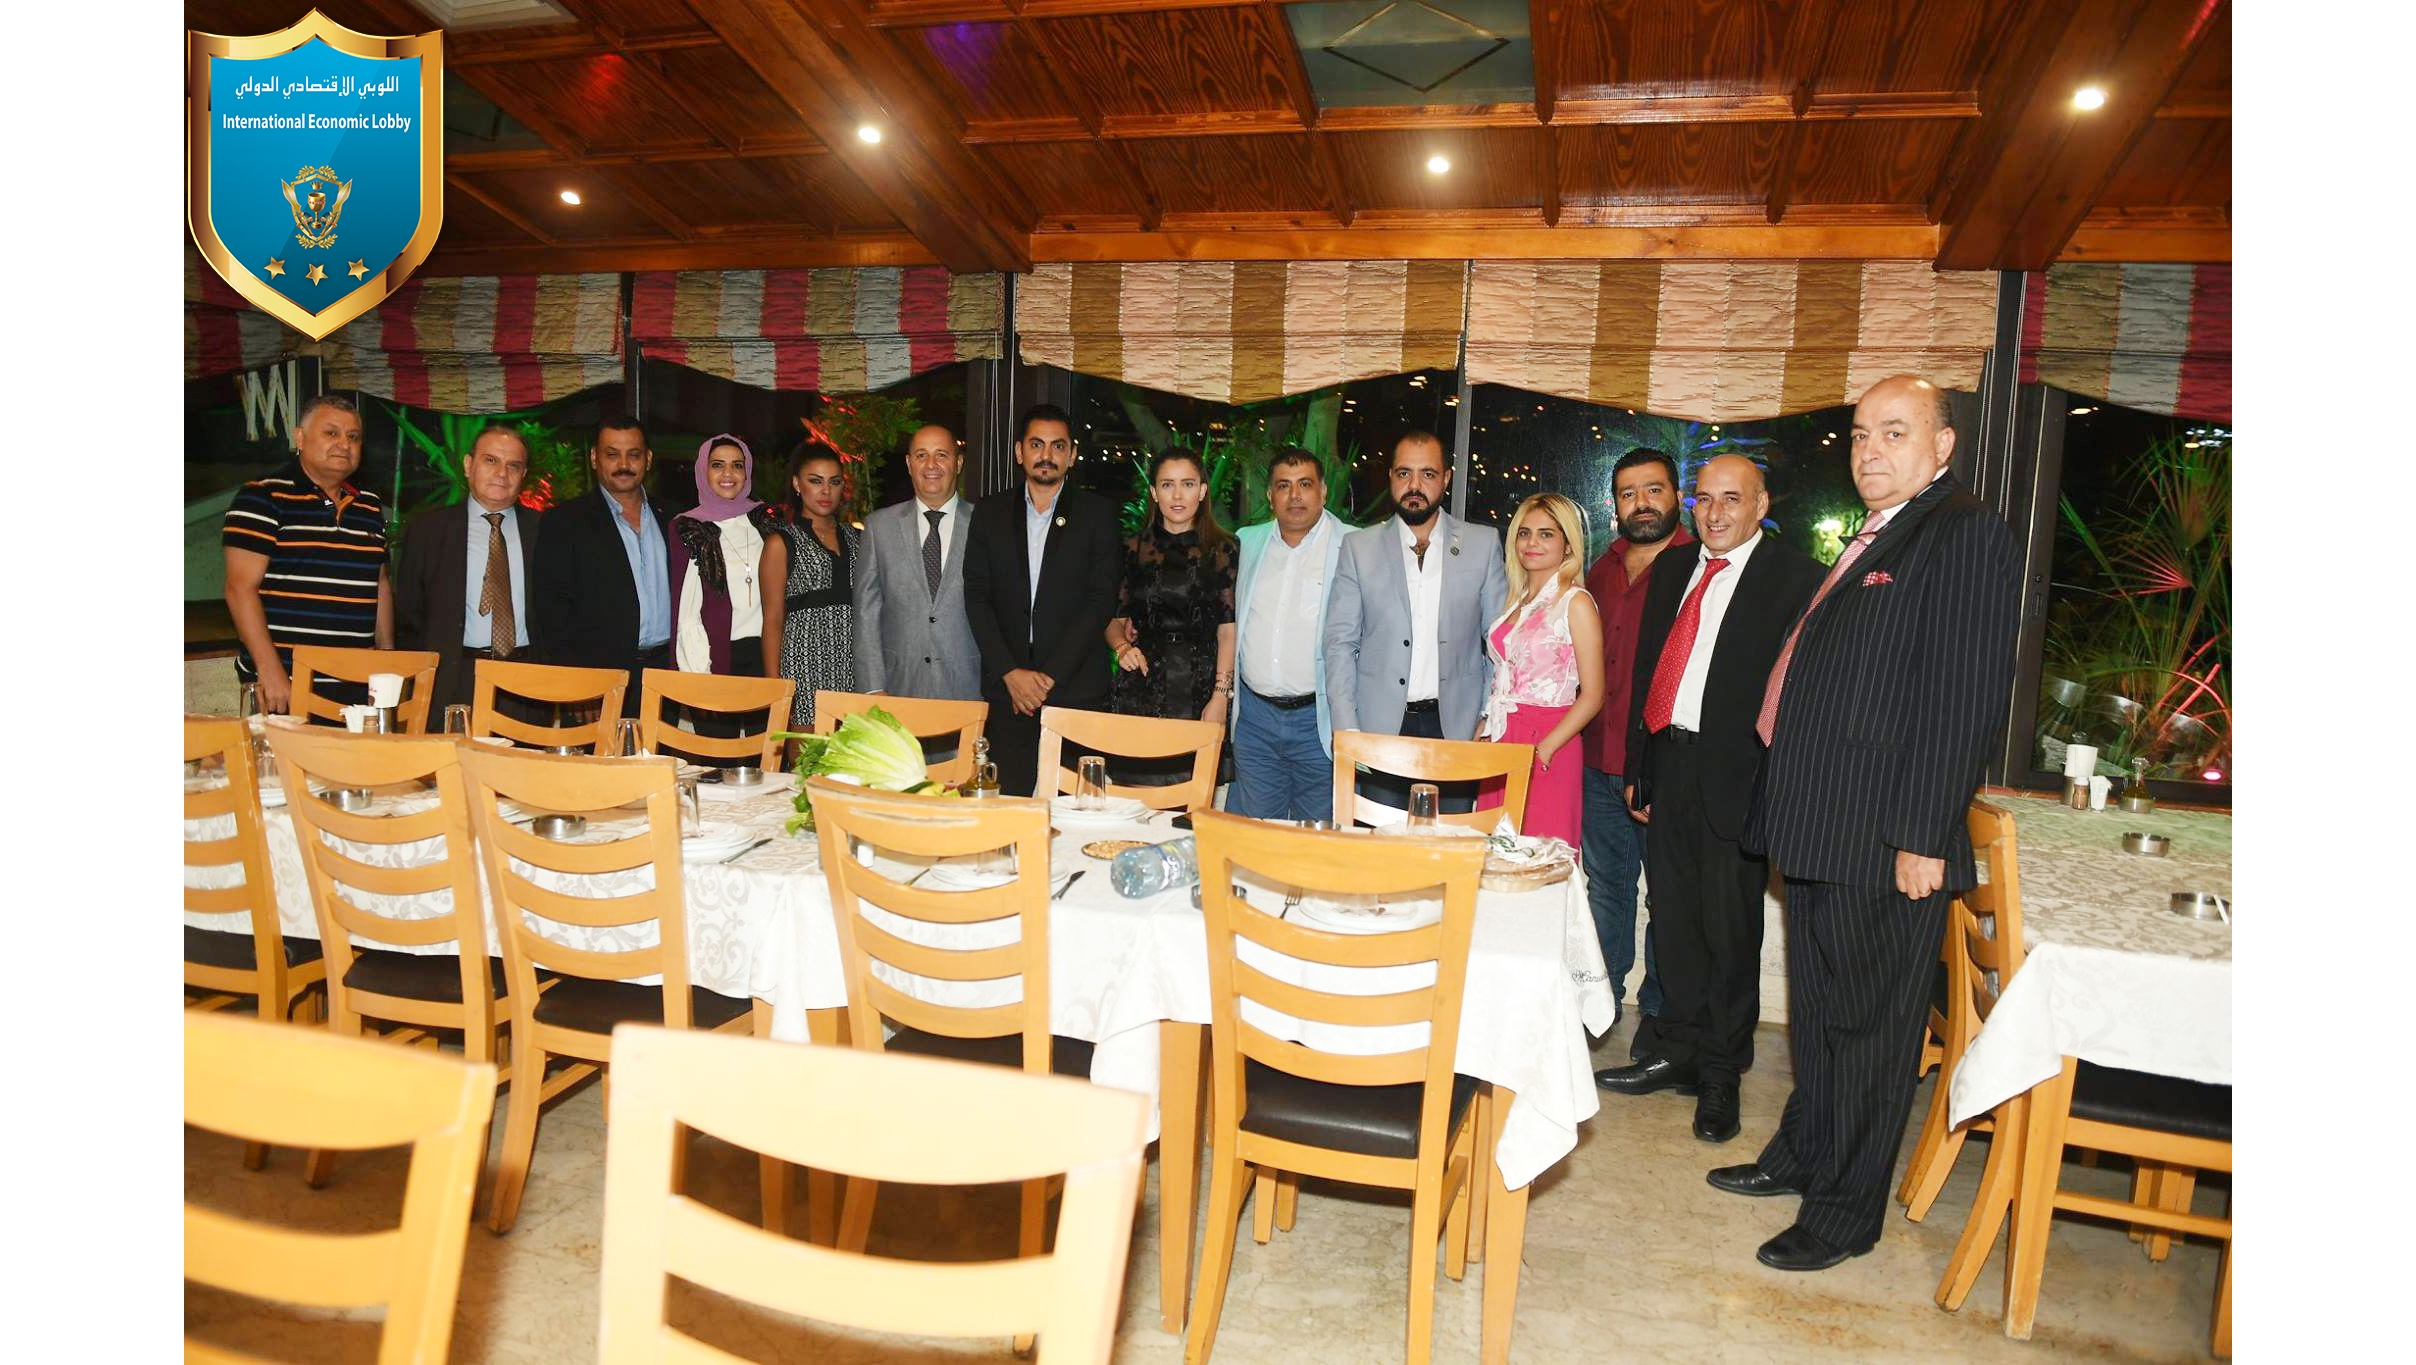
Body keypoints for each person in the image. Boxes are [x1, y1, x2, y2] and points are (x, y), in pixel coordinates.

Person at [1710, 375, 2020, 1273]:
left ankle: (1845, 1212)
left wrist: (1922, 834)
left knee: (1870, 1035)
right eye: (1858, 434)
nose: (1869, 450)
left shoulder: (1964, 533)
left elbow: (1961, 699)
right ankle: (1804, 1154)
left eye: (1893, 431)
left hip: (1885, 836)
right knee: (1819, 1019)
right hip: (1822, 825)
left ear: (1943, 445)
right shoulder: (1879, 531)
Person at [1592, 455, 1822, 1147]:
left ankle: (1722, 1070)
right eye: (1704, 499)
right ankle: (1677, 1050)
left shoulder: (1796, 578)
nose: (1715, 512)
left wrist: (1779, 788)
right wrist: (1640, 767)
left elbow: (1802, 698)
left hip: (1739, 780)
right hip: (1670, 764)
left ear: (1761, 505)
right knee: (1673, 920)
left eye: (1731, 499)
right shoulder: (1672, 569)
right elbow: (1646, 672)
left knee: (1730, 931)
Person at [1322, 431, 1507, 813]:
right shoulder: (1359, 548)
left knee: (1451, 843)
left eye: (1428, 474)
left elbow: (1499, 642)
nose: (1415, 486)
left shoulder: (1482, 544)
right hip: (1379, 729)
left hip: (1456, 728)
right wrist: (1347, 729)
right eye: (1404, 473)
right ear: (1390, 477)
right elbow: (1339, 643)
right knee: (1380, 843)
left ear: (1447, 478)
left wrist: (1489, 715)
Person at [1583, 448, 1693, 1046]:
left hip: (1662, 765)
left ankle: (1658, 1014)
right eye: (1629, 493)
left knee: (1669, 895)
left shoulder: (1699, 567)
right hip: (1596, 758)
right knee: (1606, 888)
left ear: (1677, 495)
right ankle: (1599, 1002)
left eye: (1653, 490)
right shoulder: (1599, 570)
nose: (1642, 503)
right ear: (1615, 504)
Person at [961, 403, 1123, 797]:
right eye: (1036, 444)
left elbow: (1101, 600)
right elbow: (977, 597)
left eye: (1057, 446)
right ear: (1020, 452)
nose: (1046, 455)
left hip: (1075, 690)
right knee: (1008, 810)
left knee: (1078, 813)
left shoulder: (1098, 514)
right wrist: (1010, 673)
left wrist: (1047, 679)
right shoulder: (989, 513)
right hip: (1008, 692)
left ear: (1071, 454)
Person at [222, 392, 392, 716]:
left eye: (353, 437)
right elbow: (239, 589)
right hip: (286, 687)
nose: (344, 444)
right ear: (299, 438)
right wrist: (269, 671)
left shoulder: (369, 506)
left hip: (357, 689)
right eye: (331, 433)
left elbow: (379, 583)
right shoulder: (262, 496)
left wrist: (386, 657)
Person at [1225, 448, 1350, 822]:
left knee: (1317, 839)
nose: (1295, 496)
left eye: (1305, 484)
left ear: (1323, 491)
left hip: (1320, 722)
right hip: (1255, 722)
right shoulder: (1245, 542)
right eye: (1284, 486)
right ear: (1270, 495)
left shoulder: (1354, 545)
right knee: (1258, 835)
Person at [1475, 493, 1602, 845]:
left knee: (1540, 853)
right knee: (1493, 851)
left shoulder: (1575, 602)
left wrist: (1545, 749)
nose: (1532, 543)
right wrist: (1485, 726)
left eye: (1546, 534)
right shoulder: (1516, 600)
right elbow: (1504, 678)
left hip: (1549, 738)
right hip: (1502, 736)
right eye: (1524, 533)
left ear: (1567, 544)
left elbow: (1593, 695)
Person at [394, 424, 542, 716]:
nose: (502, 473)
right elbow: (408, 616)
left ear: (523, 475)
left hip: (528, 682)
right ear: (467, 465)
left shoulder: (545, 531)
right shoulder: (428, 530)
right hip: (452, 680)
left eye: (513, 465)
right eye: (491, 460)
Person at [528, 416, 672, 716]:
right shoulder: (564, 522)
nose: (624, 464)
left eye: (633, 454)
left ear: (648, 459)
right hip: (597, 679)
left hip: (665, 677)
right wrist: (578, 683)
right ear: (595, 458)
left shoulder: (673, 518)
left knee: (666, 750)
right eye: (612, 454)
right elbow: (552, 610)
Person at [1107, 448, 1238, 738]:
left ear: (1202, 491)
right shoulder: (1132, 549)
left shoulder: (1224, 549)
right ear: (1154, 493)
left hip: (1203, 686)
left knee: (1199, 766)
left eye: (1187, 484)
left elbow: (1228, 629)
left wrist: (1220, 695)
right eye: (1167, 485)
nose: (1177, 495)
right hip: (1141, 683)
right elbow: (1114, 620)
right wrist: (1122, 648)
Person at [854, 423, 980, 703]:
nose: (931, 465)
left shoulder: (985, 525)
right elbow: (866, 614)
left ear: (958, 463)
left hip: (969, 689)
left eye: (941, 455)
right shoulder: (879, 527)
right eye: (922, 455)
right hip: (897, 690)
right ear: (909, 464)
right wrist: (872, 688)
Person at [760, 448, 859, 732]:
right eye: (815, 481)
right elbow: (773, 620)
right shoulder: (781, 543)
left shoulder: (858, 538)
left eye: (834, 482)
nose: (826, 491)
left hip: (853, 667)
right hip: (803, 667)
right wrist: (776, 691)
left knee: (852, 758)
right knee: (806, 759)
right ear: (797, 484)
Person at [669, 434, 777, 679]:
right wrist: (698, 674)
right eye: (717, 465)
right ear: (703, 471)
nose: (728, 474)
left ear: (747, 473)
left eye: (737, 465)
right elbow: (685, 611)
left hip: (768, 655)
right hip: (716, 657)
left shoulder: (766, 524)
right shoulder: (688, 528)